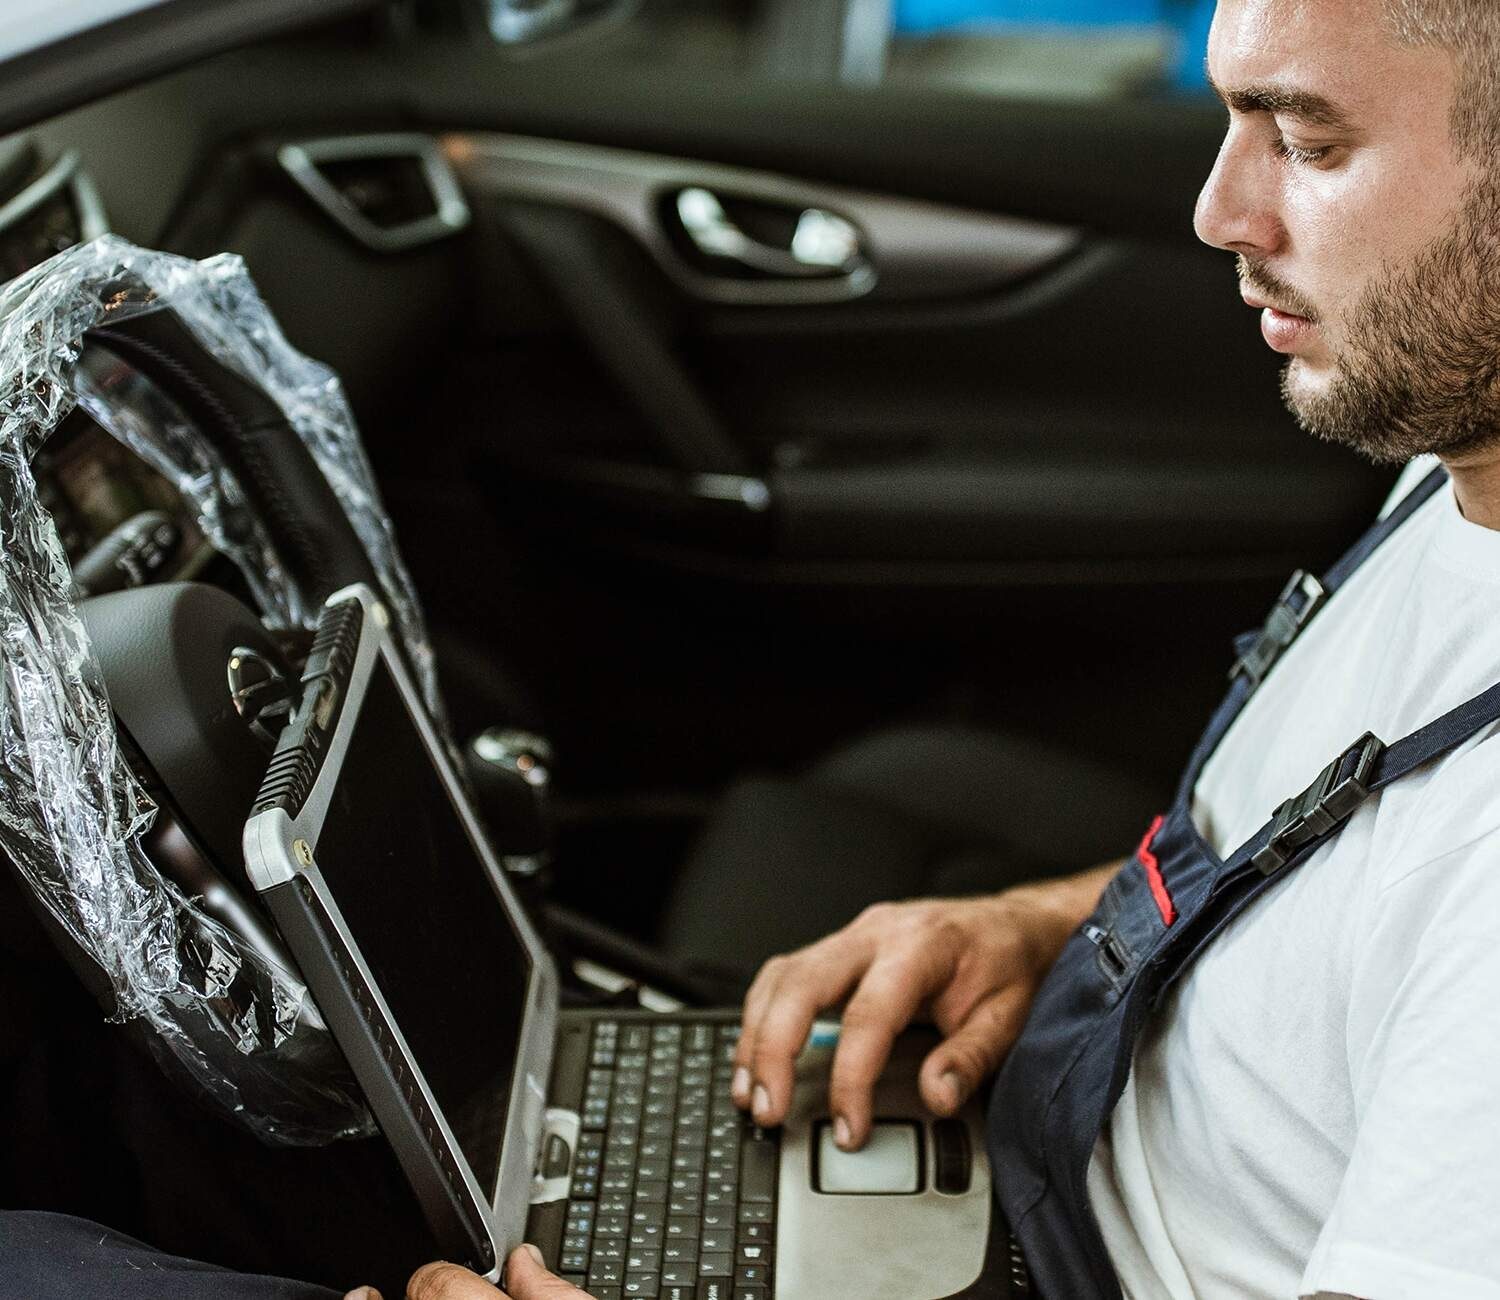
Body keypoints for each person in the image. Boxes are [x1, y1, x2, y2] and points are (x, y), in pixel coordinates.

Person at [11, 0, 1499, 1295]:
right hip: (1065, 1123)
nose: (1219, 212)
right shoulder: (1456, 465)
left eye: (1307, 142)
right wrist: (1057, 930)